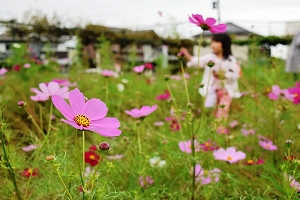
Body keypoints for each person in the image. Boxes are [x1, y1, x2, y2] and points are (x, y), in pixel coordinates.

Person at [180, 33, 242, 120]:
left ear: (224, 43)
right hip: (211, 90)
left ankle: (221, 130)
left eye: (216, 41)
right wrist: (186, 54)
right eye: (212, 41)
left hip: (226, 91)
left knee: (222, 112)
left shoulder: (231, 59)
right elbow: (196, 62)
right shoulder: (210, 57)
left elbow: (237, 74)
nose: (212, 44)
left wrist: (224, 75)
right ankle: (213, 128)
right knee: (211, 110)